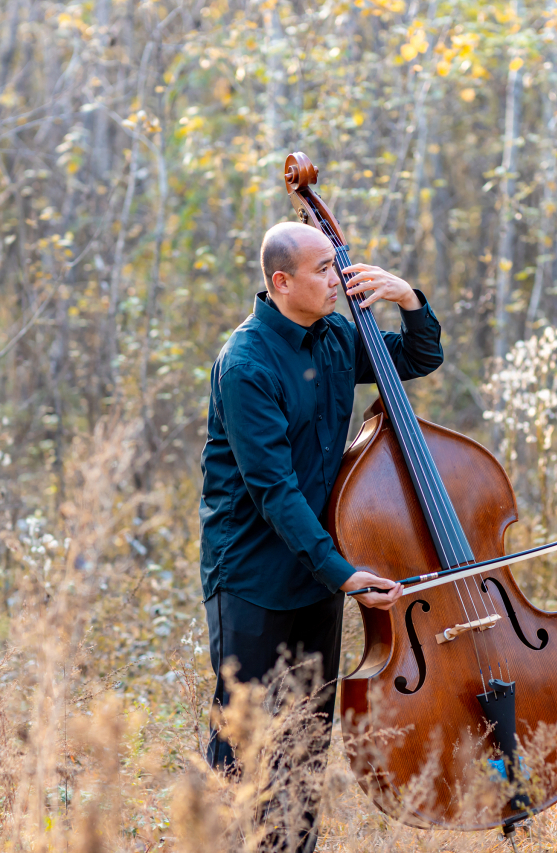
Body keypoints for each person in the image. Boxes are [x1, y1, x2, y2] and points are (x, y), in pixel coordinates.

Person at [199, 221, 444, 851]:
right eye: (323, 272)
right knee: (243, 741)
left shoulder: (335, 334)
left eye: (338, 269)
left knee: (308, 733)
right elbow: (274, 490)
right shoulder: (247, 364)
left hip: (320, 565)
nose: (338, 280)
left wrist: (407, 299)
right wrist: (343, 572)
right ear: (281, 282)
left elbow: (418, 359)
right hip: (251, 573)